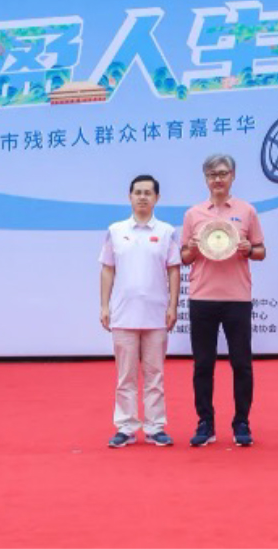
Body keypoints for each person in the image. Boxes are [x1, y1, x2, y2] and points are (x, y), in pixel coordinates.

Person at [181, 154, 266, 447]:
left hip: (237, 298)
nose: (217, 179)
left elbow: (261, 251)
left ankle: (242, 421)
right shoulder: (193, 214)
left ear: (233, 176)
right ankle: (205, 422)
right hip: (202, 297)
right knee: (203, 365)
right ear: (205, 179)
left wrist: (248, 248)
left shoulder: (247, 211)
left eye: (222, 173)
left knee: (241, 364)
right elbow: (183, 257)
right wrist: (192, 249)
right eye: (212, 174)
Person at [99, 175, 180, 448]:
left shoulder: (167, 231)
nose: (142, 197)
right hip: (123, 314)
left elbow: (174, 270)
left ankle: (156, 427)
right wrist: (104, 305)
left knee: (154, 374)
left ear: (157, 198)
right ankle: (126, 426)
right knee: (126, 376)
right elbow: (107, 269)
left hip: (156, 315)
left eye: (148, 193)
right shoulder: (115, 230)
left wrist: (173, 305)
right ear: (130, 197)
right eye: (138, 192)